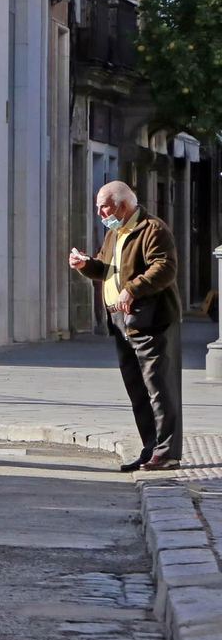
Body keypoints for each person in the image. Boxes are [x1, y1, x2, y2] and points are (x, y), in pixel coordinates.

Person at [70, 180, 183, 472]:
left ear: (122, 204)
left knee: (159, 387)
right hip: (120, 320)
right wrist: (86, 265)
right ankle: (150, 448)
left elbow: (165, 267)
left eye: (103, 205)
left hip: (150, 319)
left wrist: (133, 289)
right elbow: (107, 270)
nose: (99, 212)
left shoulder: (152, 229)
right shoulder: (115, 232)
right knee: (137, 389)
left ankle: (167, 451)